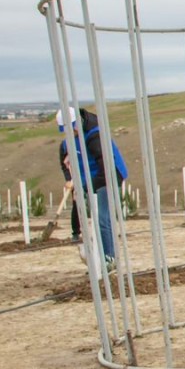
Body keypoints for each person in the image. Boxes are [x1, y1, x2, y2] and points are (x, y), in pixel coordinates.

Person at [58, 107, 127, 267]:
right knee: (90, 219)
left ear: (78, 122)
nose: (70, 132)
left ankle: (110, 258)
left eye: (71, 127)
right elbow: (68, 160)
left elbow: (106, 168)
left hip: (108, 177)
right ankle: (96, 256)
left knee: (103, 218)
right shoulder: (68, 142)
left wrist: (86, 187)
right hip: (90, 179)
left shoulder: (95, 135)